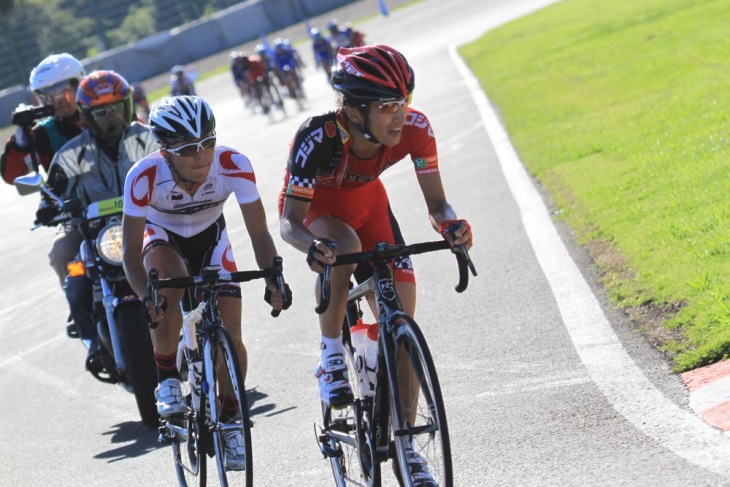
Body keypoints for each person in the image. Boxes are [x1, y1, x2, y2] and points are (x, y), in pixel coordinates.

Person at [277, 44, 472, 484]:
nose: (400, 114)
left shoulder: (415, 129)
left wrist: (451, 225)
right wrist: (311, 246)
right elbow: (288, 223)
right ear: (351, 109)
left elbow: (438, 204)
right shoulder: (318, 136)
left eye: (404, 101)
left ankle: (408, 449)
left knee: (400, 321)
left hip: (372, 211)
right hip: (317, 216)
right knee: (341, 243)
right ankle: (330, 354)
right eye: (387, 106)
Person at [121, 95, 290, 470]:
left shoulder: (233, 164)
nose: (201, 155)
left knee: (231, 334)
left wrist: (273, 277)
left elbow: (260, 234)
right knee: (168, 279)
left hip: (212, 238)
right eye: (187, 148)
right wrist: (143, 296)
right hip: (161, 238)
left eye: (208, 142)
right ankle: (166, 376)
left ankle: (231, 419)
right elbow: (130, 254)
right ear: (165, 151)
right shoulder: (143, 176)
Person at [39, 69, 159, 370]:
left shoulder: (149, 139)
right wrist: (47, 206)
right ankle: (92, 341)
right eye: (100, 112)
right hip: (96, 233)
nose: (109, 118)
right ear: (86, 115)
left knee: (185, 259)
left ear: (128, 106)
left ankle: (205, 320)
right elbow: (52, 190)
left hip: (149, 224)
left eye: (116, 109)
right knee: (75, 274)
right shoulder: (71, 153)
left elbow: (174, 168)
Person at [1, 53, 86, 186]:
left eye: (62, 92)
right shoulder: (43, 134)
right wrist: (19, 145)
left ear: (79, 85)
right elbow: (11, 176)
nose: (57, 101)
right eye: (46, 95)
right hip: (73, 204)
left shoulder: (106, 115)